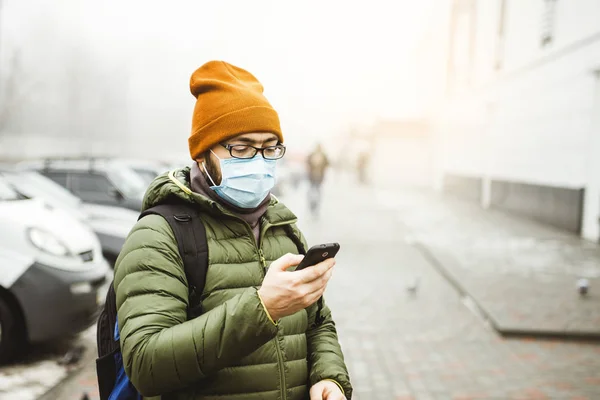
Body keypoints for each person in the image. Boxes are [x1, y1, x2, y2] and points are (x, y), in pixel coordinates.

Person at [113, 61, 352, 400]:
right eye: (241, 148)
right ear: (202, 154)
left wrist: (329, 377)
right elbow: (146, 366)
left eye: (270, 147)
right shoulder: (159, 235)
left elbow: (317, 324)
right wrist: (262, 309)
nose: (259, 160)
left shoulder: (282, 226)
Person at [306, 143, 330, 217]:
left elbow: (327, 164)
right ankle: (312, 206)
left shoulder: (323, 155)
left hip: (319, 178)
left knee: (317, 193)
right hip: (312, 178)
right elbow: (307, 163)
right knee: (312, 192)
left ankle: (315, 207)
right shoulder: (312, 155)